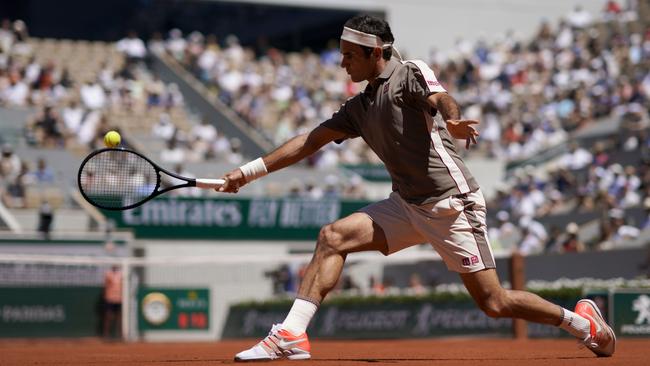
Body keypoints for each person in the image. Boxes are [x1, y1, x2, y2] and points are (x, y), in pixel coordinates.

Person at [218, 15, 615, 362]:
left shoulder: (409, 73)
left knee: (495, 303)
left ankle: (584, 324)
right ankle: (291, 335)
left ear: (376, 53)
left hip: (451, 204)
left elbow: (442, 98)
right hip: (407, 205)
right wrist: (247, 172)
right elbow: (309, 141)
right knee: (333, 237)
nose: (342, 64)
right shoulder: (359, 106)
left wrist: (455, 122)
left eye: (349, 56)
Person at [102, 265, 123, 339]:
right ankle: (106, 335)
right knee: (108, 316)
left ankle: (119, 335)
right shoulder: (108, 274)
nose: (115, 266)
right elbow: (106, 286)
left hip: (119, 299)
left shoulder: (121, 274)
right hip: (110, 298)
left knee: (119, 317)